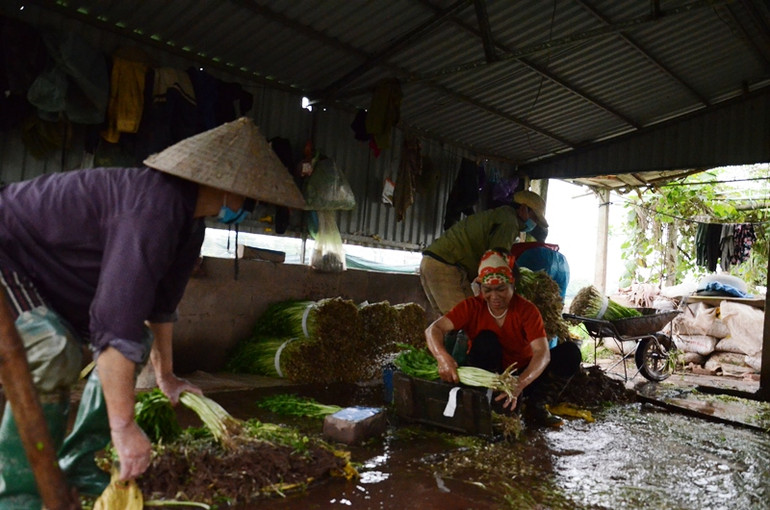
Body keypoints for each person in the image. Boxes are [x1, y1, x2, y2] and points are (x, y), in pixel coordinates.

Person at [0, 117, 305, 507]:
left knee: (136, 340)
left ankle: (79, 464)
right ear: (225, 186)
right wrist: (124, 426)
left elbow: (159, 308)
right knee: (52, 349)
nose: (247, 205)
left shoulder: (190, 225)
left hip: (44, 274)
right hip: (7, 251)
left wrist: (167, 376)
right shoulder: (154, 206)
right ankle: (18, 498)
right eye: (249, 195)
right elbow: (115, 321)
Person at [424, 250, 581, 428]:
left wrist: (519, 383)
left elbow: (542, 353)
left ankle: (535, 406)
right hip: (487, 375)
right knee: (486, 340)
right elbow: (433, 329)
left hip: (520, 376)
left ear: (512, 285)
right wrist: (442, 357)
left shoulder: (526, 310)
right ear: (480, 287)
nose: (494, 297)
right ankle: (487, 401)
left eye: (501, 289)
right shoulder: (472, 307)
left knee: (570, 353)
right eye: (487, 290)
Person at [420, 190, 549, 317]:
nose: (535, 223)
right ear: (524, 209)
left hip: (437, 262)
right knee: (464, 320)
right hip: (445, 265)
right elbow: (497, 260)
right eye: (535, 218)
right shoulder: (509, 222)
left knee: (464, 317)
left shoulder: (502, 215)